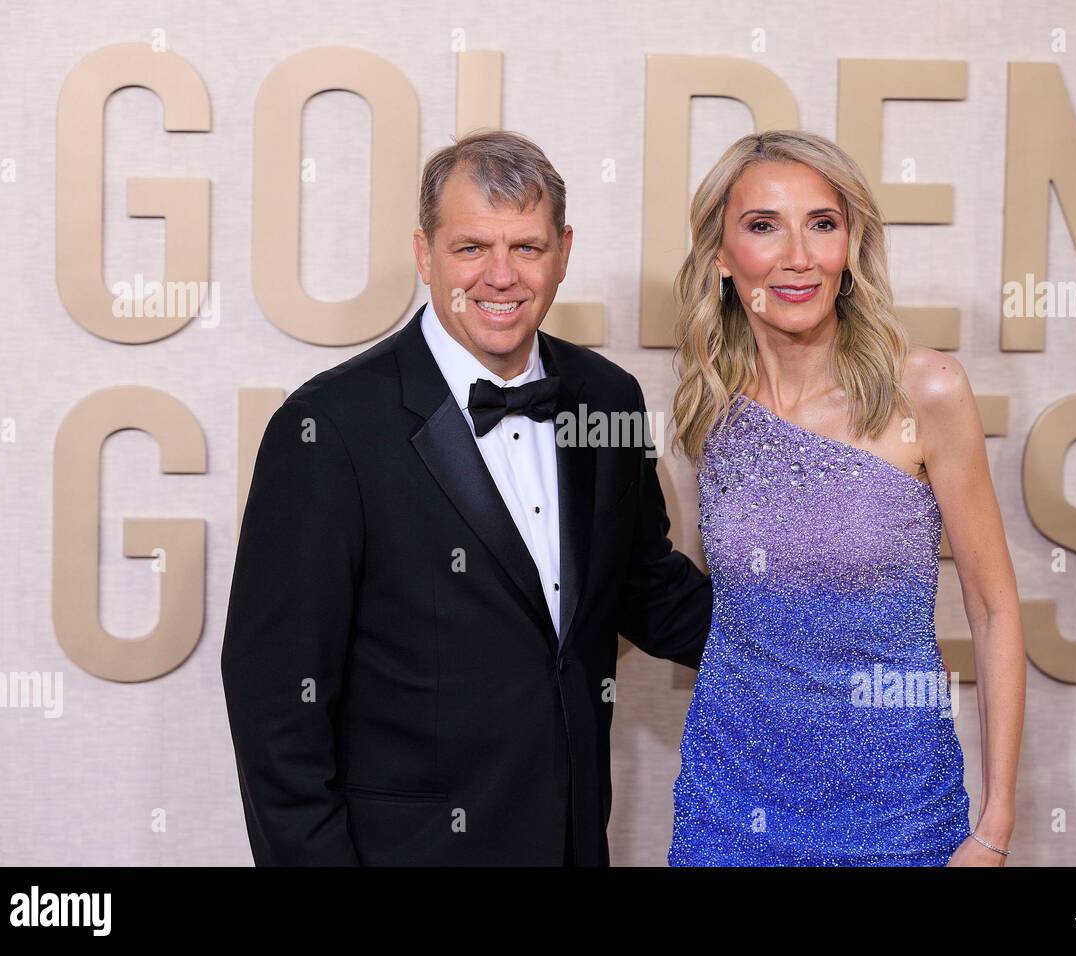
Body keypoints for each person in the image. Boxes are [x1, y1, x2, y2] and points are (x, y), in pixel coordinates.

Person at [221, 129, 712, 866]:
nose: (501, 276)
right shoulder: (330, 426)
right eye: (471, 248)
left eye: (527, 247)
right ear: (425, 255)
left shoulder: (607, 399)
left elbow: (645, 589)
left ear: (564, 252)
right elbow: (273, 700)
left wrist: (815, 640)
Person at [666, 131, 1025, 866]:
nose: (798, 255)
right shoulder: (711, 406)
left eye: (822, 224)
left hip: (898, 813)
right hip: (729, 807)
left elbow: (994, 609)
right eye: (764, 226)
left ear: (850, 247)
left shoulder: (925, 392)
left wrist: (994, 827)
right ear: (721, 258)